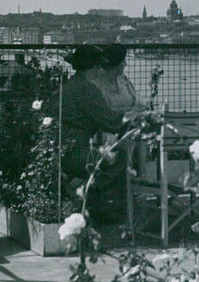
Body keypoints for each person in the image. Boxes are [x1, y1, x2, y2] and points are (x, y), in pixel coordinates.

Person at [58, 44, 142, 225]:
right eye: (99, 65)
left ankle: (92, 201)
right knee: (117, 157)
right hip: (74, 154)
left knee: (108, 157)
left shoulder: (72, 84)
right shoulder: (86, 89)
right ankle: (91, 201)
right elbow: (111, 122)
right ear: (94, 67)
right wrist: (138, 118)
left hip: (63, 148)